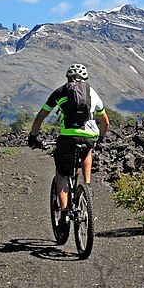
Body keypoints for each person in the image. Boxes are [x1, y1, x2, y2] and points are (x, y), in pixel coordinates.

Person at [28, 63, 109, 221]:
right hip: (89, 136)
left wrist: (33, 137)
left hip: (67, 137)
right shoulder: (92, 93)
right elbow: (105, 122)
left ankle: (64, 213)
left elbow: (40, 118)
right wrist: (101, 138)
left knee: (61, 173)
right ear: (85, 78)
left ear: (67, 77)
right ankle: (87, 186)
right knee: (87, 151)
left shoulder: (60, 92)